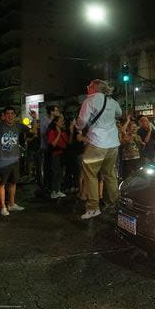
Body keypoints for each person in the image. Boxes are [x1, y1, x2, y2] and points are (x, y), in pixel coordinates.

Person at [75, 79, 122, 220]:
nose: (87, 88)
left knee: (90, 174)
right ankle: (115, 205)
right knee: (110, 175)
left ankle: (93, 208)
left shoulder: (89, 101)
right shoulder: (112, 102)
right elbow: (119, 113)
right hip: (113, 143)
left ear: (93, 88)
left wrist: (78, 128)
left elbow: (82, 121)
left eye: (89, 86)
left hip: (97, 142)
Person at [46, 115, 68, 199]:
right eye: (61, 120)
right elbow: (53, 144)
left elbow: (67, 142)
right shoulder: (52, 131)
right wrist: (58, 134)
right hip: (55, 154)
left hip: (63, 154)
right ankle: (53, 191)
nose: (62, 121)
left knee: (60, 173)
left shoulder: (63, 130)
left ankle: (58, 190)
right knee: (55, 172)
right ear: (56, 122)